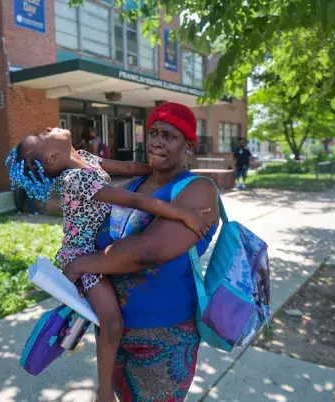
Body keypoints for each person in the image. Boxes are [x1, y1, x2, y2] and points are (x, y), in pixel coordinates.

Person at [5, 127, 211, 402]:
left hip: (95, 252)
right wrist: (184, 214)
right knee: (112, 323)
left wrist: (157, 169)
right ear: (53, 158)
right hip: (82, 256)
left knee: (108, 320)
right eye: (42, 137)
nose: (46, 129)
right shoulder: (75, 180)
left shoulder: (86, 158)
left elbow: (128, 167)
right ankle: (102, 393)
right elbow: (135, 200)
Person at [63, 102, 220, 402]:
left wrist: (83, 264)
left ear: (188, 145)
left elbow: (148, 250)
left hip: (165, 339)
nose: (157, 141)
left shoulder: (198, 189)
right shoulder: (134, 185)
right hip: (113, 332)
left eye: (169, 136)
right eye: (153, 132)